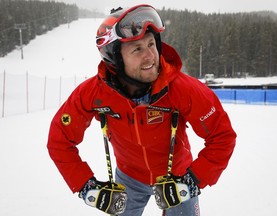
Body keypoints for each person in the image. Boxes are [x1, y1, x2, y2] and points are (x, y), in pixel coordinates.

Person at [47, 4, 236, 216]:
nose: (150, 56)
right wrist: (85, 186)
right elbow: (59, 140)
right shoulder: (93, 93)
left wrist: (193, 181)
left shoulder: (183, 89)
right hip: (129, 179)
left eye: (151, 44)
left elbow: (222, 136)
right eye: (137, 49)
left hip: (177, 177)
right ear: (115, 58)